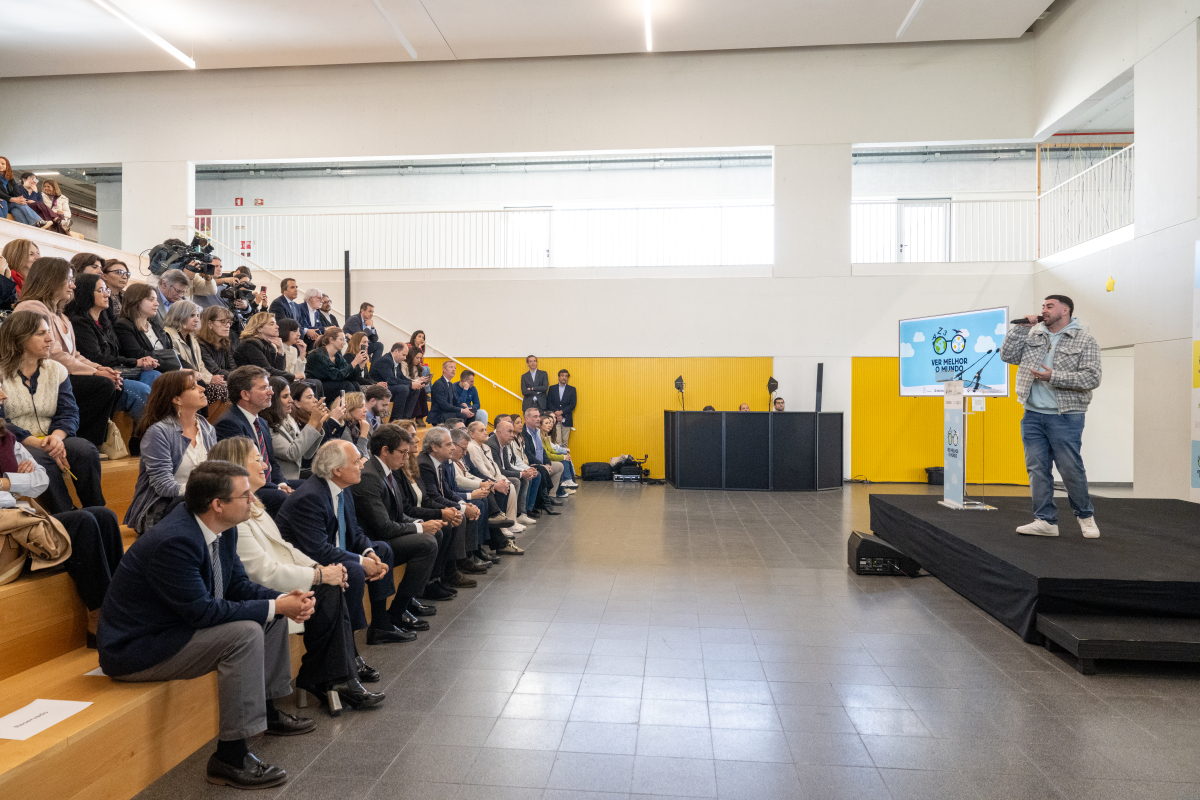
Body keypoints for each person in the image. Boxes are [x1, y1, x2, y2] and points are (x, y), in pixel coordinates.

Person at [98, 461, 316, 790]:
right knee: (245, 632)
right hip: (137, 648)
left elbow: (238, 586)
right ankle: (230, 756)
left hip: (175, 629)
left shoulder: (222, 528)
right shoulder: (174, 541)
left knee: (269, 615)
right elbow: (202, 612)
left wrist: (283, 599)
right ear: (218, 504)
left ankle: (268, 710)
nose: (253, 500)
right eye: (245, 495)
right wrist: (276, 605)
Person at [210, 436, 384, 713]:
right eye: (257, 459)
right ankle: (332, 677)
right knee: (328, 589)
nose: (265, 465)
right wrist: (317, 576)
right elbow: (262, 571)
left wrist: (318, 569)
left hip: (277, 580)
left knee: (333, 583)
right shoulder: (236, 517)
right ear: (235, 466)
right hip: (258, 591)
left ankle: (334, 677)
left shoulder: (254, 506)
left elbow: (286, 549)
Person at [0, 377, 122, 646]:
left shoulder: (6, 437)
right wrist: (14, 483)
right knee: (82, 522)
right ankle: (99, 617)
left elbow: (40, 481)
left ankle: (120, 604)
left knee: (104, 516)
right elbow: (24, 485)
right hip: (6, 534)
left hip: (21, 522)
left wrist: (8, 483)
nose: (4, 397)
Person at [275, 441, 412, 643]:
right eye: (356, 462)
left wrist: (368, 553)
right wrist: (362, 562)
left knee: (381, 550)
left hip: (333, 551)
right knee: (353, 570)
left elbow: (355, 531)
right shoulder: (310, 497)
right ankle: (347, 643)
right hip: (307, 562)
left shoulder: (343, 487)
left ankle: (380, 624)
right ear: (337, 470)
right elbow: (319, 550)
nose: (362, 465)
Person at [1001, 295, 1102, 539]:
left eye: (1049, 306)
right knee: (1037, 469)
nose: (1044, 310)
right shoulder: (1035, 335)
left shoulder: (1084, 340)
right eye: (1043, 306)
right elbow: (1007, 355)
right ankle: (1045, 520)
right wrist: (1022, 328)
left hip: (1066, 415)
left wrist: (1053, 376)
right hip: (1033, 414)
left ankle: (1085, 516)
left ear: (1065, 310)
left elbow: (1092, 377)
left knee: (1070, 469)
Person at [0, 311, 105, 513]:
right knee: (40, 459)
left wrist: (56, 438)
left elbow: (69, 412)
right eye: (41, 334)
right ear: (19, 339)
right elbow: (1, 421)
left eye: (49, 332)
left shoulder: (56, 369)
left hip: (52, 437)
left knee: (85, 450)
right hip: (17, 442)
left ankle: (97, 511)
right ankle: (65, 515)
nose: (50, 339)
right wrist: (37, 442)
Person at [14, 258, 125, 446]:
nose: (73, 285)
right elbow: (52, 353)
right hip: (38, 376)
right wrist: (94, 372)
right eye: (69, 280)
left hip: (59, 373)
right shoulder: (31, 307)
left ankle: (88, 442)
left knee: (114, 382)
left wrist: (100, 368)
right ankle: (81, 441)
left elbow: (74, 355)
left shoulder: (62, 316)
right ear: (51, 279)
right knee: (102, 385)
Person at [349, 423, 443, 629]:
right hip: (372, 541)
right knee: (426, 543)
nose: (406, 457)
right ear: (385, 451)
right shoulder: (369, 476)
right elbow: (383, 527)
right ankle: (398, 610)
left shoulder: (388, 471)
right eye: (402, 452)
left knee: (436, 533)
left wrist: (421, 523)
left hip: (386, 535)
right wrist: (421, 528)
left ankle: (407, 602)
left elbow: (399, 515)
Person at [125, 370, 215, 535]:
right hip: (162, 507)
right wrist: (205, 491)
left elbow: (215, 471)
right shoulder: (158, 432)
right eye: (193, 387)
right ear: (176, 399)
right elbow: (163, 486)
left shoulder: (207, 427)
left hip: (201, 502)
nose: (202, 389)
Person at [214, 366, 294, 505]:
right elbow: (241, 471)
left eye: (269, 387)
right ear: (245, 395)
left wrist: (281, 483)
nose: (271, 392)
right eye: (264, 388)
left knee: (307, 487)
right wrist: (277, 489)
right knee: (283, 497)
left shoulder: (261, 421)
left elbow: (271, 462)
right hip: (247, 489)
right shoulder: (229, 424)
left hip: (268, 483)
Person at [67, 273, 162, 389]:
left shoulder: (104, 322)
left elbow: (116, 354)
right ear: (86, 293)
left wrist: (140, 362)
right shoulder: (79, 323)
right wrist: (135, 362)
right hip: (100, 374)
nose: (107, 294)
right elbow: (96, 358)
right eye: (101, 290)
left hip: (116, 369)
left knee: (154, 375)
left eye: (107, 290)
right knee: (144, 387)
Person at [417, 427, 484, 587]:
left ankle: (451, 569)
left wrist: (463, 504)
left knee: (461, 512)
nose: (453, 447)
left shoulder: (437, 462)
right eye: (448, 444)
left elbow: (447, 491)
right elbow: (433, 497)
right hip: (423, 509)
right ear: (434, 447)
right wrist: (461, 509)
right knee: (453, 519)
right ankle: (447, 572)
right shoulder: (424, 464)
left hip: (434, 504)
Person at [163, 300, 228, 406]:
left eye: (198, 316)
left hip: (196, 378)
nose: (197, 319)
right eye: (192, 315)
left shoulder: (192, 338)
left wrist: (211, 378)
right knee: (218, 390)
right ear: (179, 315)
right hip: (179, 381)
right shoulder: (167, 336)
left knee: (224, 387)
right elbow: (177, 365)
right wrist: (208, 379)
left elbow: (200, 365)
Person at [263, 378, 327, 481]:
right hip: (282, 481)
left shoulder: (289, 420)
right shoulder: (267, 426)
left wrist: (318, 424)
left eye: (290, 395)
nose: (291, 400)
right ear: (274, 400)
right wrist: (312, 422)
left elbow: (306, 454)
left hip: (294, 478)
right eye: (285, 396)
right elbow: (292, 453)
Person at [466, 419, 524, 533]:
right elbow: (481, 470)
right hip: (484, 478)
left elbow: (495, 467)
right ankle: (502, 526)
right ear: (471, 434)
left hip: (492, 476)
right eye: (481, 430)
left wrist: (500, 478)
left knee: (508, 484)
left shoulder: (485, 447)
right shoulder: (472, 447)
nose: (485, 432)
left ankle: (510, 521)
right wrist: (494, 483)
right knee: (506, 486)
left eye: (485, 429)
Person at [485, 416, 537, 526]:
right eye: (510, 431)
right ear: (500, 433)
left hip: (500, 474)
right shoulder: (492, 445)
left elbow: (508, 467)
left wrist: (525, 472)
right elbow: (499, 471)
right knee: (516, 481)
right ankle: (509, 518)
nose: (512, 435)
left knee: (524, 480)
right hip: (494, 476)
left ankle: (520, 514)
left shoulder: (503, 444)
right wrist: (521, 474)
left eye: (512, 432)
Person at [115, 282, 173, 368]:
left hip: (166, 370)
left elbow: (171, 353)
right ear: (136, 301)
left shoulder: (155, 327)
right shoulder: (123, 326)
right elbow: (138, 355)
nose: (157, 303)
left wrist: (189, 369)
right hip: (145, 371)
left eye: (156, 299)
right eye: (151, 299)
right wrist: (176, 368)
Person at [305, 327, 367, 403]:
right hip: (316, 387)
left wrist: (360, 366)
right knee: (347, 385)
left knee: (355, 384)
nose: (344, 343)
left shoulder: (337, 357)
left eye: (344, 339)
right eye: (341, 339)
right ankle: (348, 409)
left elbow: (350, 376)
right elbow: (336, 375)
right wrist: (354, 362)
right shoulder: (319, 355)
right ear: (331, 340)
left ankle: (356, 408)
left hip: (330, 383)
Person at [522, 407, 564, 510]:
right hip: (532, 464)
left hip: (542, 463)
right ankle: (543, 501)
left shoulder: (537, 431)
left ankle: (551, 495)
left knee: (559, 466)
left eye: (538, 416)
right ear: (527, 419)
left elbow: (543, 451)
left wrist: (548, 463)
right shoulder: (524, 433)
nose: (538, 419)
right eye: (535, 416)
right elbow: (528, 454)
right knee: (543, 469)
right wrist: (542, 465)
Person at [234, 311, 296, 381]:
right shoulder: (250, 344)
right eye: (272, 324)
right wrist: (294, 376)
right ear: (259, 328)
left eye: (276, 324)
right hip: (247, 383)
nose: (277, 326)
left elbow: (278, 371)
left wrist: (280, 351)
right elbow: (267, 371)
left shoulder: (269, 346)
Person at [369, 341, 421, 422]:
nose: (405, 358)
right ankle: (395, 420)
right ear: (396, 351)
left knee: (415, 390)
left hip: (389, 386)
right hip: (379, 387)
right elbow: (390, 379)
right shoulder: (385, 360)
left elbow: (401, 377)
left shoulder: (397, 361)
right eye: (404, 355)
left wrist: (414, 383)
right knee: (403, 389)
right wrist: (410, 384)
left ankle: (405, 419)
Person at [198, 305, 237, 385]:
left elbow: (232, 367)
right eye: (223, 321)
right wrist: (238, 377)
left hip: (225, 380)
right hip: (208, 384)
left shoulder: (224, 343)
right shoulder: (200, 345)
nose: (228, 325)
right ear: (210, 324)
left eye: (229, 322)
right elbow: (215, 371)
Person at [540, 414, 578, 492]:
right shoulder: (540, 437)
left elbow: (551, 450)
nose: (549, 425)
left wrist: (563, 455)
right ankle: (566, 481)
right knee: (564, 458)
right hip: (544, 460)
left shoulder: (546, 436)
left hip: (548, 457)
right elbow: (548, 455)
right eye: (546, 423)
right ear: (540, 425)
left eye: (550, 422)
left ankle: (569, 481)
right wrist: (563, 457)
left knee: (565, 456)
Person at [326, 390, 370, 458]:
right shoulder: (342, 427)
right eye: (361, 406)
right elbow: (355, 457)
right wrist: (363, 434)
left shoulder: (358, 424)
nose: (365, 410)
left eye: (365, 406)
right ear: (348, 409)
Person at [0, 157, 42, 226]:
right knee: (19, 203)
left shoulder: (10, 179)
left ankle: (28, 228)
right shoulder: (21, 188)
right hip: (4, 203)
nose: (0, 165)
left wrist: (19, 199)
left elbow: (16, 191)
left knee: (16, 211)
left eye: (3, 164)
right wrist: (13, 199)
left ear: (7, 166)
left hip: (10, 205)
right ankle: (37, 221)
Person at [428, 360, 471, 426]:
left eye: (455, 368)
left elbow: (456, 403)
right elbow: (444, 405)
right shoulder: (438, 384)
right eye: (451, 367)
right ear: (444, 369)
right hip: (439, 415)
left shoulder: (451, 385)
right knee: (462, 415)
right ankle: (460, 431)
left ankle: (467, 432)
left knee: (471, 413)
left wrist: (465, 409)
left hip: (448, 412)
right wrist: (462, 410)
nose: (453, 369)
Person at [546, 368, 577, 447]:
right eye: (562, 375)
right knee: (557, 442)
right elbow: (549, 403)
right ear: (559, 377)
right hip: (555, 419)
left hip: (567, 419)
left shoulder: (572, 389)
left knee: (565, 443)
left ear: (568, 378)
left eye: (566, 376)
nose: (564, 377)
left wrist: (561, 412)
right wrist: (556, 413)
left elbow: (572, 405)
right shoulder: (552, 388)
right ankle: (559, 455)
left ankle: (564, 455)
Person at [404, 348, 431, 426]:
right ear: (411, 356)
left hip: (413, 385)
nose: (419, 360)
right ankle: (415, 416)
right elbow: (404, 379)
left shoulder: (417, 367)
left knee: (421, 389)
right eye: (417, 358)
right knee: (417, 390)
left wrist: (424, 382)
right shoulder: (404, 365)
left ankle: (420, 416)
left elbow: (416, 380)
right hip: (407, 386)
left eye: (420, 358)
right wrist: (418, 380)